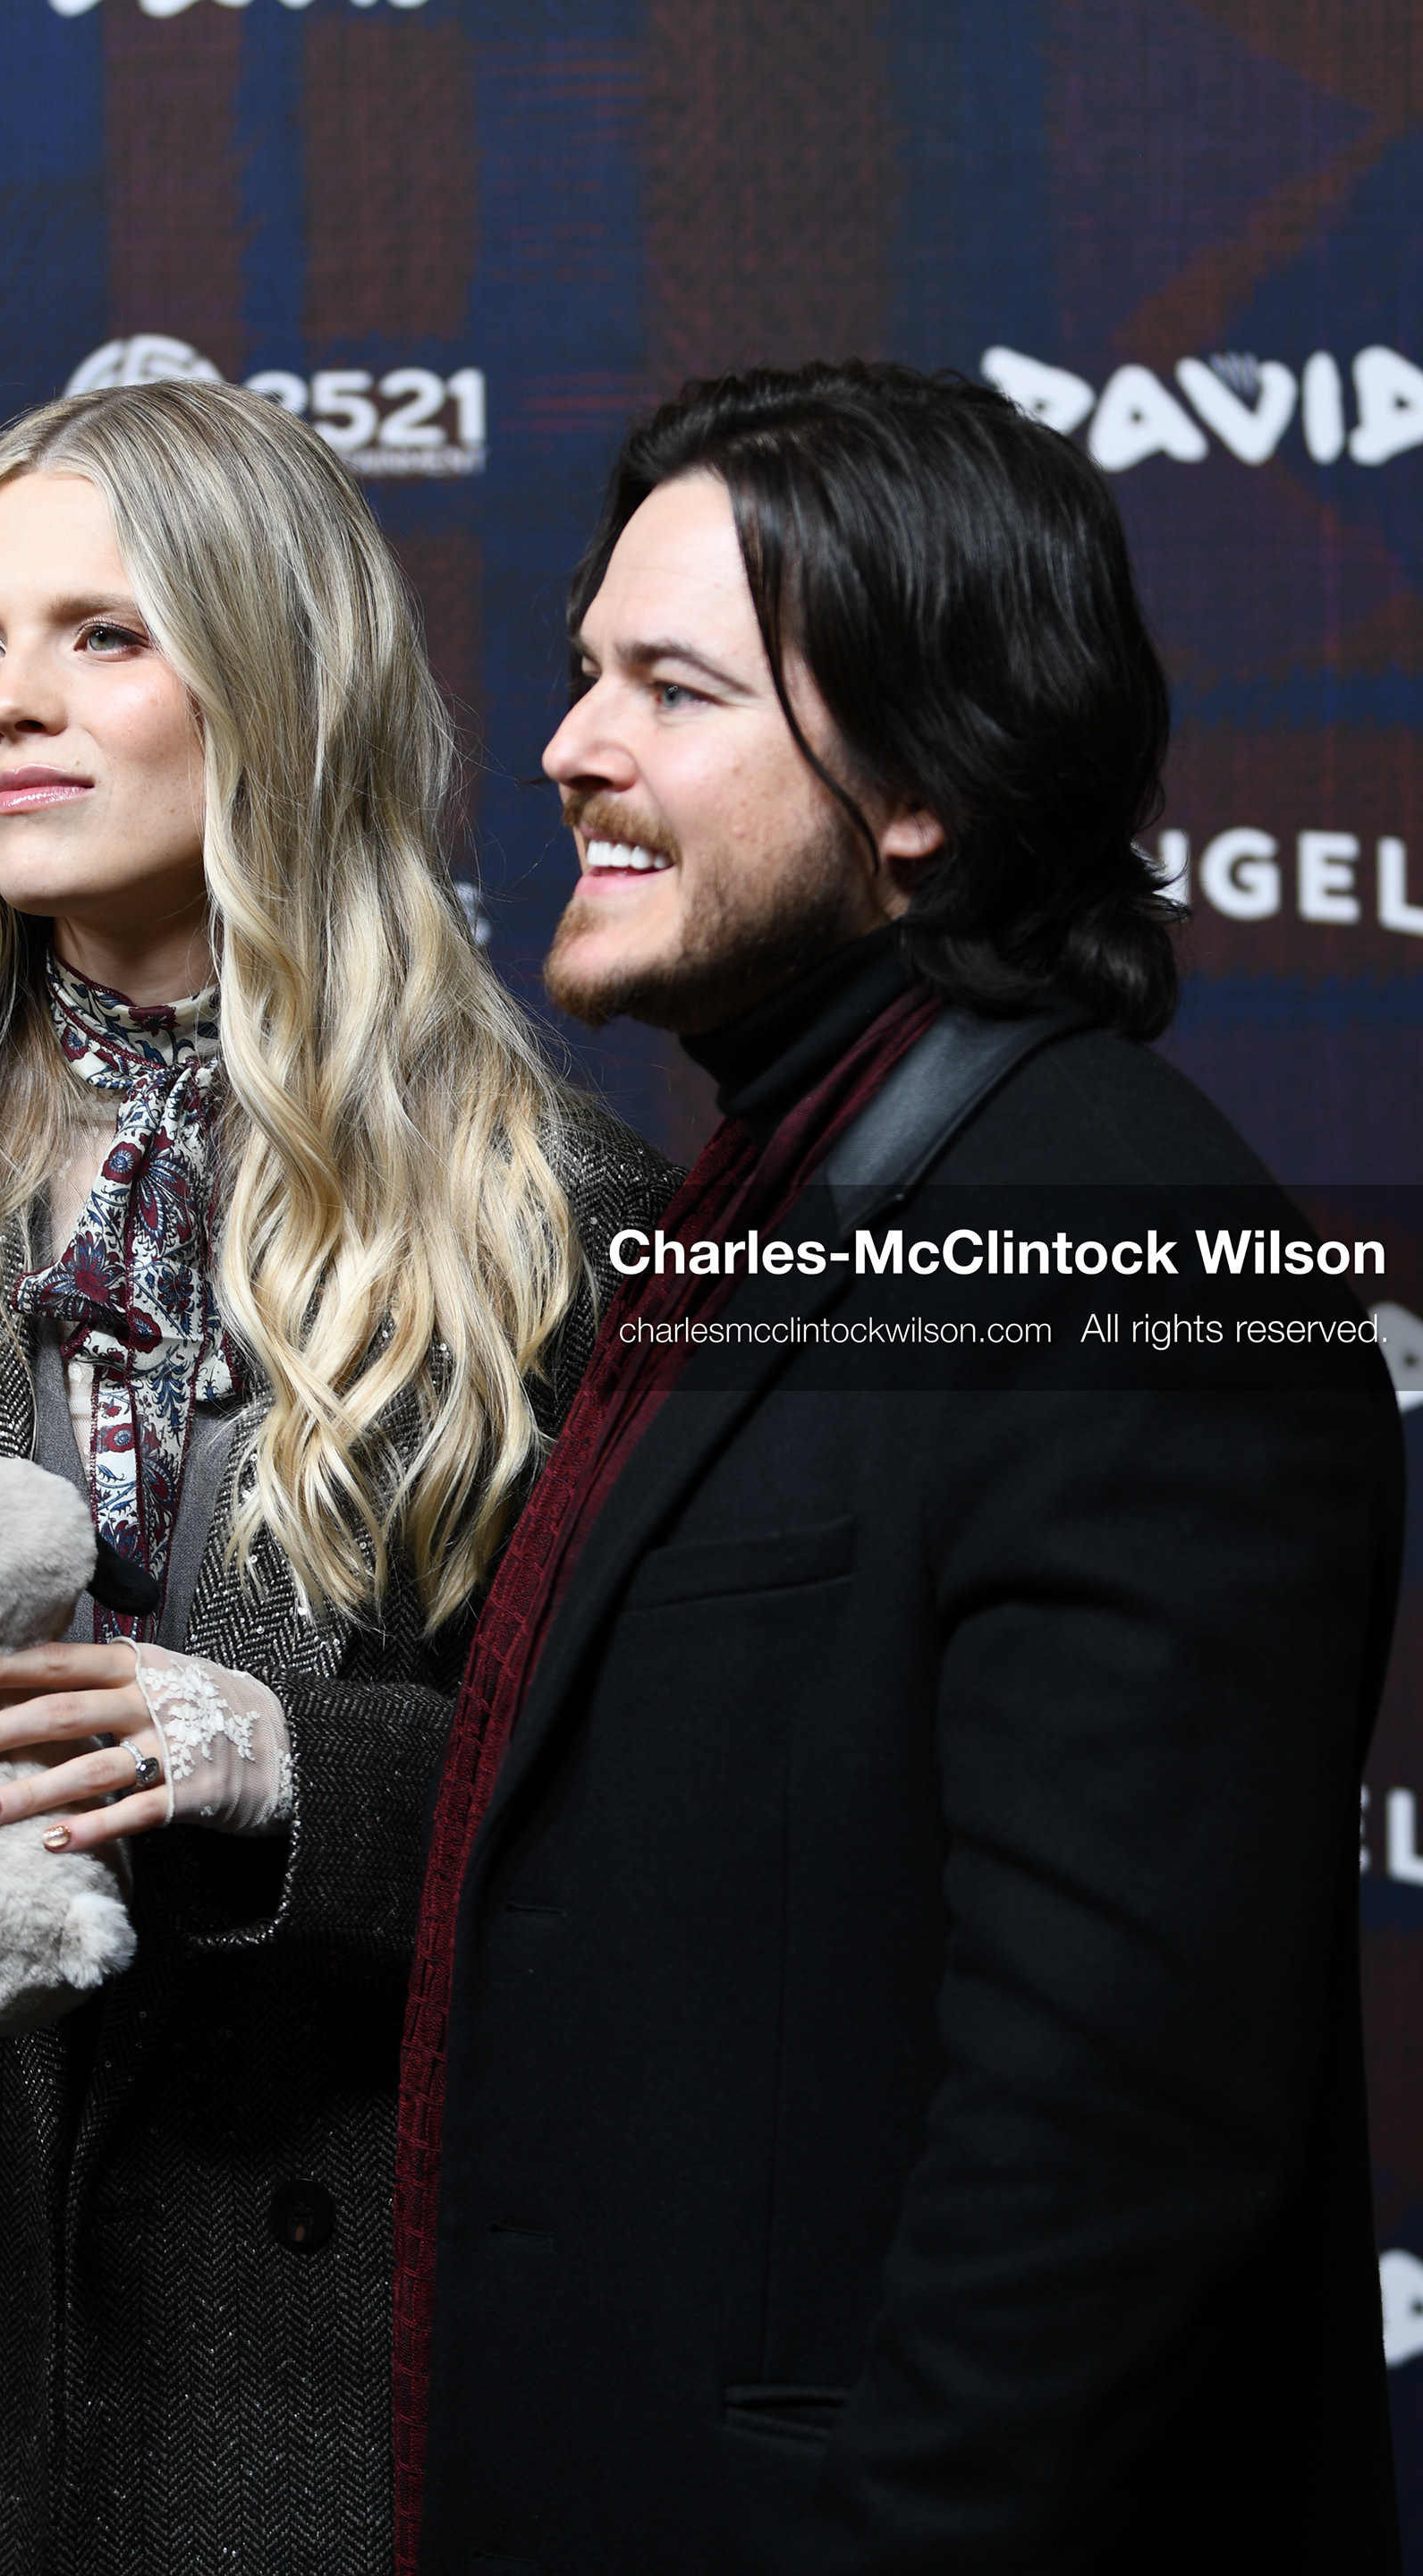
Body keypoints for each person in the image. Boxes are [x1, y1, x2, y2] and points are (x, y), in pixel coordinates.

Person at [394, 362, 1404, 2574]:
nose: (572, 747)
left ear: (923, 782)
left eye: (676, 688)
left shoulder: (1127, 1252)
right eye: (586, 675)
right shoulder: (771, 1200)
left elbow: (1107, 2164)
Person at [0, 377, 673, 2576]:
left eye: (103, 637)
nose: (13, 707)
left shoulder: (557, 1210)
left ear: (277, 682)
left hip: (305, 2344)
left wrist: (275, 1770)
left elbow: (647, 1826)